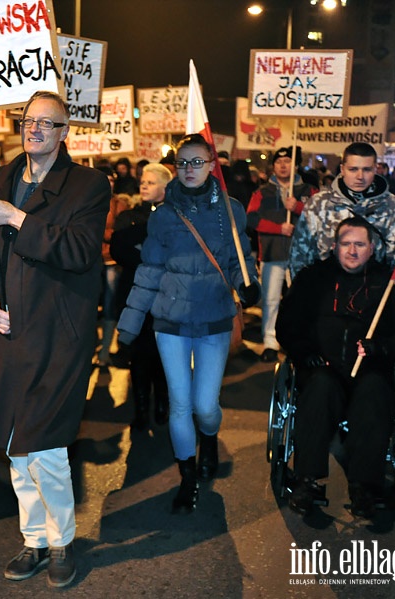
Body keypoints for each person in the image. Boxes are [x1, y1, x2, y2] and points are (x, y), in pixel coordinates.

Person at [0, 91, 110, 588]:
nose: (35, 130)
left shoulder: (89, 185)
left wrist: (19, 219)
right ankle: (32, 539)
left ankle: (60, 543)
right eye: (28, 121)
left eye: (47, 124)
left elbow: (79, 251)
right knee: (14, 445)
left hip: (58, 333)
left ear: (65, 131)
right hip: (5, 333)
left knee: (45, 446)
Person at [117, 134, 259, 514]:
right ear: (175, 168)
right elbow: (149, 270)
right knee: (180, 404)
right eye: (183, 163)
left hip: (214, 319)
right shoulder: (163, 215)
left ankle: (209, 439)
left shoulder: (230, 210)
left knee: (205, 406)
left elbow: (240, 259)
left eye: (197, 162)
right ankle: (188, 478)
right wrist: (129, 326)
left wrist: (249, 286)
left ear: (213, 164)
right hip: (170, 322)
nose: (190, 169)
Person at [276, 216, 395, 518]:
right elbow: (287, 326)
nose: (352, 251)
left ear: (371, 248)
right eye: (346, 244)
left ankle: (365, 486)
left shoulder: (388, 283)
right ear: (335, 246)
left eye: (359, 244)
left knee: (373, 393)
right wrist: (306, 353)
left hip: (370, 368)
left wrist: (381, 348)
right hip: (322, 367)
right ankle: (307, 481)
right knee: (319, 387)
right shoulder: (312, 279)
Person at [111, 163, 172, 428]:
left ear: (165, 187)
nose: (143, 186)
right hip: (135, 296)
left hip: (167, 297)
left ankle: (162, 402)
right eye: (143, 182)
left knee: (164, 354)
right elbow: (118, 248)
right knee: (138, 355)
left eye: (150, 182)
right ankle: (141, 408)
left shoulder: (176, 216)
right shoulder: (129, 215)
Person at [290, 142, 395, 276]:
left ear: (375, 169)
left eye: (367, 169)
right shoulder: (320, 203)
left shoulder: (390, 205)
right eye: (353, 169)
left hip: (373, 288)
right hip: (326, 288)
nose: (360, 176)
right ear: (342, 169)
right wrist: (301, 290)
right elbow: (300, 253)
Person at [246, 147, 317, 363]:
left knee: (301, 299)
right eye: (279, 161)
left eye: (288, 161)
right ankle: (270, 341)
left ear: (295, 165)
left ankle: (297, 340)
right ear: (274, 166)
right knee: (270, 299)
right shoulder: (262, 192)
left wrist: (298, 208)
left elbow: (319, 217)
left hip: (302, 255)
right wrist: (279, 228)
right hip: (272, 253)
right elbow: (251, 219)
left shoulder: (309, 190)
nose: (283, 165)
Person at [95, 166, 130, 367]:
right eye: (104, 179)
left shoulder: (119, 204)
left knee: (110, 305)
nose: (108, 183)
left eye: (111, 179)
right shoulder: (87, 201)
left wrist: (101, 233)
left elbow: (119, 234)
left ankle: (105, 351)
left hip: (111, 261)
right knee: (90, 306)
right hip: (90, 261)